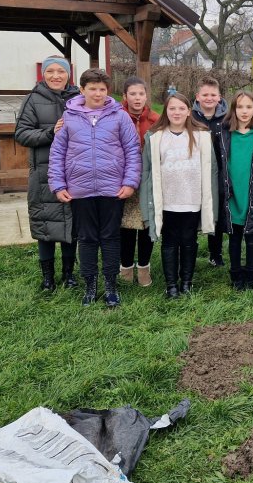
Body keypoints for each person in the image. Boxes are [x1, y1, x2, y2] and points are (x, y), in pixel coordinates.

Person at [48, 68, 141, 308]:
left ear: (107, 91)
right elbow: (57, 153)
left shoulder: (120, 116)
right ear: (82, 90)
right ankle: (90, 285)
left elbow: (132, 150)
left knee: (110, 237)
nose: (98, 94)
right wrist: (58, 185)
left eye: (102, 89)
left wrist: (129, 182)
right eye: (92, 89)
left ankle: (111, 285)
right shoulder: (69, 117)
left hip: (112, 189)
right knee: (87, 238)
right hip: (80, 189)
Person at [140, 93, 218, 298]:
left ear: (188, 111)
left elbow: (212, 170)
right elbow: (146, 172)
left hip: (192, 200)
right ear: (166, 110)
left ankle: (186, 282)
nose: (177, 112)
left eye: (181, 108)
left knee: (189, 242)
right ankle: (171, 285)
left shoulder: (201, 135)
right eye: (172, 108)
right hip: (167, 202)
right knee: (169, 243)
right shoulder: (156, 137)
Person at [14, 56, 80, 292]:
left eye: (60, 71)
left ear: (68, 74)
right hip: (43, 173)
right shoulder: (33, 99)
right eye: (50, 71)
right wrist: (51, 132)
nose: (55, 76)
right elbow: (21, 134)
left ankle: (69, 275)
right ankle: (48, 278)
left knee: (71, 225)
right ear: (43, 75)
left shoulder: (78, 98)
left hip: (73, 172)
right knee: (45, 226)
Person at [218, 91, 253, 291]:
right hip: (233, 193)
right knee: (234, 238)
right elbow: (218, 163)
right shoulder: (225, 133)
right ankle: (236, 276)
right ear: (233, 109)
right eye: (240, 107)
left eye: (249, 107)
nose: (244, 111)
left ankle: (250, 276)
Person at [119, 77, 159, 287]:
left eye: (141, 94)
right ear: (125, 96)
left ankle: (144, 267)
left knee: (145, 225)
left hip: (147, 181)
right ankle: (125, 267)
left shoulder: (155, 119)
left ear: (146, 96)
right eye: (132, 94)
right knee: (125, 226)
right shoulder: (116, 117)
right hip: (123, 181)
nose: (137, 98)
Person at [192, 77, 228, 267]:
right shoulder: (190, 117)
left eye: (213, 95)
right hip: (195, 172)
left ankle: (216, 253)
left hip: (219, 172)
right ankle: (191, 246)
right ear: (197, 97)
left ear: (219, 97)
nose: (209, 98)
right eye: (205, 94)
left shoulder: (226, 118)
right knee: (193, 211)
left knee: (217, 211)